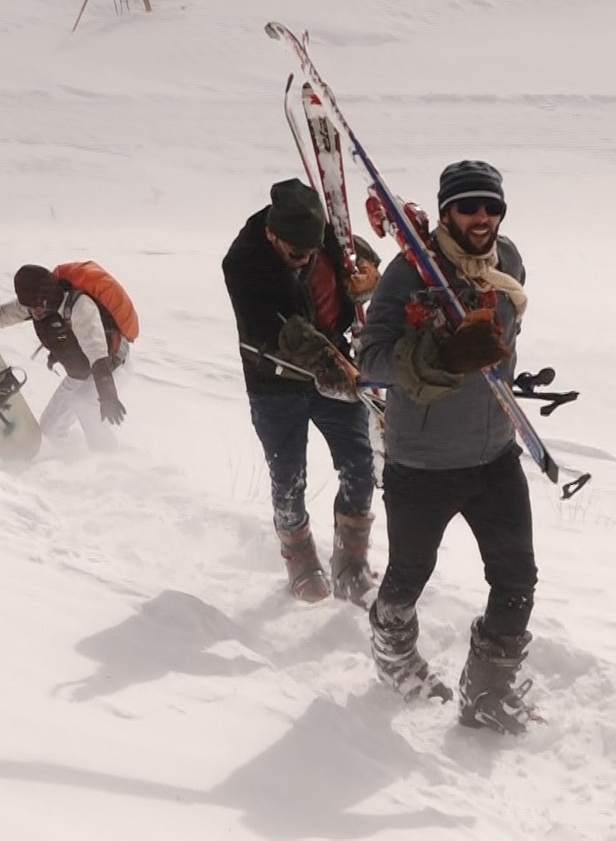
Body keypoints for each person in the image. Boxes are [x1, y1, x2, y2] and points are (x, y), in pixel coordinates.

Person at [358, 161, 542, 735]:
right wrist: (438, 355)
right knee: (408, 578)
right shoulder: (406, 275)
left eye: (491, 206)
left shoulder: (506, 261)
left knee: (517, 580)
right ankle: (394, 657)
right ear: (445, 213)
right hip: (422, 463)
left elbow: (505, 339)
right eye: (468, 207)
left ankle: (487, 691)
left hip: (494, 455)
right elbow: (369, 362)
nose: (482, 218)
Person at [223, 180, 384, 604]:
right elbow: (275, 333)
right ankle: (299, 558)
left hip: (336, 363)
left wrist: (363, 276)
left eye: (312, 250)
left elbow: (353, 262)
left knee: (359, 465)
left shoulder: (317, 232)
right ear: (273, 235)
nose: (307, 259)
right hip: (275, 380)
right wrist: (332, 365)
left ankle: (350, 565)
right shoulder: (242, 263)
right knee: (289, 477)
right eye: (297, 254)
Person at [0, 262, 135, 454]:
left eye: (38, 306)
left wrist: (108, 396)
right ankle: (69, 462)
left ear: (50, 294)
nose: (35, 312)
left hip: (111, 367)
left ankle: (109, 460)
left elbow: (98, 356)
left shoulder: (81, 308)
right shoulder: (34, 304)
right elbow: (4, 316)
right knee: (48, 431)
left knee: (84, 403)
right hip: (80, 373)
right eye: (30, 307)